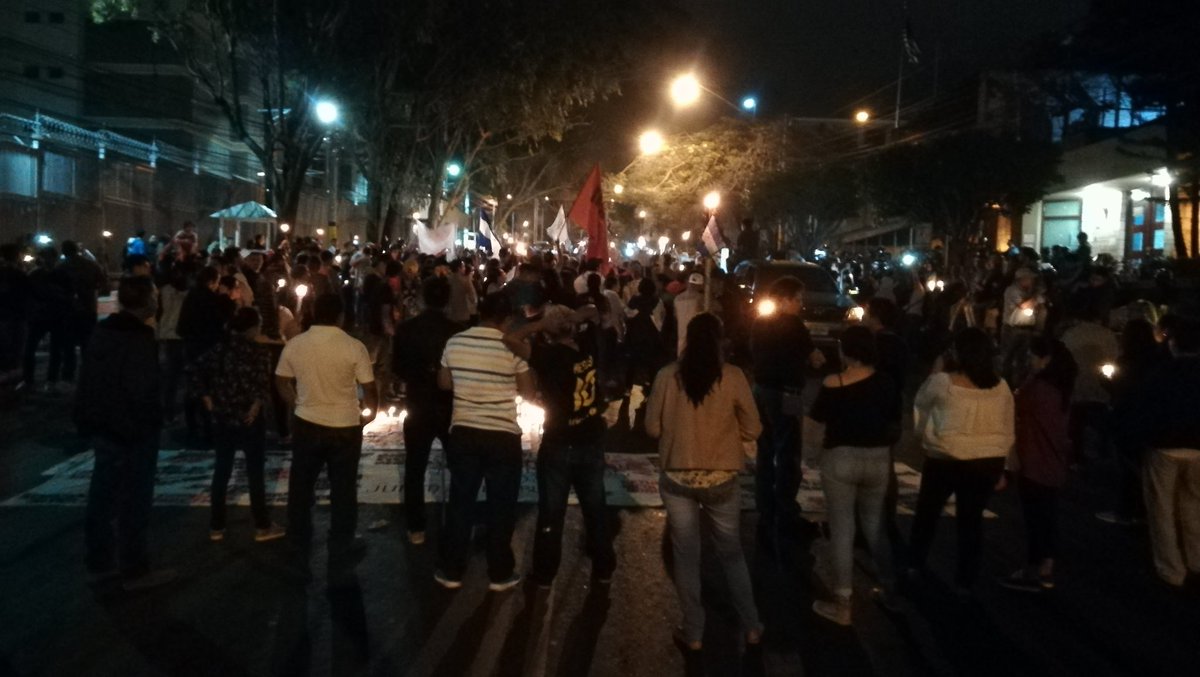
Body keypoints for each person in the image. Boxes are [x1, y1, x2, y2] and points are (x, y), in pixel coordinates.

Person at [645, 313, 762, 651]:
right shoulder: (733, 376)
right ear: (719, 340)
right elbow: (753, 428)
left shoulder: (668, 376)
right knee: (731, 553)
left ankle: (694, 631)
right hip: (722, 475)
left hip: (677, 475)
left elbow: (652, 428)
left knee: (686, 554)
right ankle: (752, 624)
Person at [503, 304, 616, 589]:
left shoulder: (549, 356)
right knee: (595, 508)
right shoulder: (586, 348)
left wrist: (540, 325)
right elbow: (593, 310)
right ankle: (603, 567)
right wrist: (571, 319)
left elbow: (510, 339)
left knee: (552, 512)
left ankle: (545, 573)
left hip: (559, 442)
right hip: (591, 437)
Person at [75, 276, 176, 591]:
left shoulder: (102, 332)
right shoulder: (139, 340)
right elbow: (141, 390)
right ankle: (134, 568)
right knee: (134, 500)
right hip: (133, 431)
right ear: (148, 302)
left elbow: (87, 381)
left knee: (102, 495)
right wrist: (154, 420)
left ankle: (99, 562)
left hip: (103, 426)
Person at [435, 292, 534, 592]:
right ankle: (499, 572)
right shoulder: (511, 348)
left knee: (461, 502)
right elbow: (528, 392)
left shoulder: (455, 342)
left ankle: (452, 570)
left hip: (464, 432)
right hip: (502, 435)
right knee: (501, 506)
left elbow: (443, 383)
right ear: (506, 319)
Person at [275, 294, 377, 574]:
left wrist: (296, 403)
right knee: (343, 488)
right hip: (345, 426)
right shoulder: (353, 347)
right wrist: (370, 413)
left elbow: (281, 380)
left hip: (307, 423)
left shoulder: (296, 345)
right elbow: (369, 388)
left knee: (301, 485)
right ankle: (342, 541)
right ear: (340, 316)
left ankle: (297, 540)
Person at [909, 328, 1015, 595]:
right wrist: (1004, 463)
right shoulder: (1001, 386)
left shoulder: (943, 382)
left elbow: (920, 411)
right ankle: (965, 582)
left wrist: (925, 440)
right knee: (970, 521)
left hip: (947, 457)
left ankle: (913, 566)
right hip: (987, 461)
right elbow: (1007, 425)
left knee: (927, 515)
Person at [808, 326, 901, 625]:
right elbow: (894, 422)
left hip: (841, 459)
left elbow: (814, 422)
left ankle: (843, 604)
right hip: (877, 458)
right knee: (876, 527)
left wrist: (812, 454)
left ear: (845, 351)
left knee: (842, 529)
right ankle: (890, 590)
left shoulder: (834, 382)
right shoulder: (887, 383)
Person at [191, 307, 285, 543]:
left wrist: (208, 399)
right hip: (249, 419)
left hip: (223, 416)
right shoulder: (259, 352)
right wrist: (255, 407)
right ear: (252, 327)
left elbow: (195, 371)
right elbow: (262, 384)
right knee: (255, 472)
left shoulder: (219, 350)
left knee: (222, 470)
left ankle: (216, 526)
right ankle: (262, 525)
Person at [998, 337, 1076, 593]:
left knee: (1035, 518)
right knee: (1048, 516)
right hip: (1053, 460)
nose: (1029, 362)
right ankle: (1046, 567)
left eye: (1033, 356)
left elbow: (1014, 403)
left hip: (1034, 459)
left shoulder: (1038, 387)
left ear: (1046, 359)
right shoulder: (1062, 387)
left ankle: (1034, 570)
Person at [751, 276, 825, 542]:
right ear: (784, 299)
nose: (800, 304)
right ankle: (786, 509)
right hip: (787, 393)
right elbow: (815, 358)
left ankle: (764, 506)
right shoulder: (794, 325)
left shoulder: (760, 322)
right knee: (789, 452)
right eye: (798, 299)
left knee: (765, 449)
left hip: (761, 390)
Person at [1133, 317, 1200, 588]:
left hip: (1164, 446)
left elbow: (1145, 410)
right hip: (1198, 448)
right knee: (1194, 505)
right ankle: (1196, 559)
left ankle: (1171, 569)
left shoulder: (1162, 373)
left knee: (1161, 509)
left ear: (1173, 343)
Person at [392, 276, 459, 545]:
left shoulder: (407, 329)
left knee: (415, 465)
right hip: (449, 404)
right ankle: (456, 520)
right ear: (447, 300)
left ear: (422, 298)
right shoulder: (458, 330)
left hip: (418, 402)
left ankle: (416, 526)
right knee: (458, 465)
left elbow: (398, 368)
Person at [1098, 319, 1163, 525]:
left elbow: (1118, 389)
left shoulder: (1127, 362)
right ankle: (1144, 510)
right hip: (1152, 420)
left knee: (1128, 469)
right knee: (1143, 468)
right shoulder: (1159, 359)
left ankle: (1127, 511)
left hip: (1127, 420)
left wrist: (1105, 379)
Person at [1060, 305, 1119, 463]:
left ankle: (1076, 458)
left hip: (1077, 387)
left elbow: (1062, 360)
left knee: (1076, 426)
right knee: (1100, 426)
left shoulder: (1070, 335)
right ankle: (1102, 456)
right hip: (1100, 387)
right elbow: (1115, 359)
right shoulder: (1107, 335)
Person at [57, 240, 109, 388]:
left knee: (68, 346)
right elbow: (104, 283)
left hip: (68, 310)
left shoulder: (61, 267)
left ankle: (68, 374)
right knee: (88, 343)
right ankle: (89, 373)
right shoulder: (90, 264)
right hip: (88, 308)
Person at [672, 273, 704, 357]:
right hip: (697, 333)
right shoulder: (701, 298)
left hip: (681, 332)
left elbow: (675, 316)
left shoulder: (677, 298)